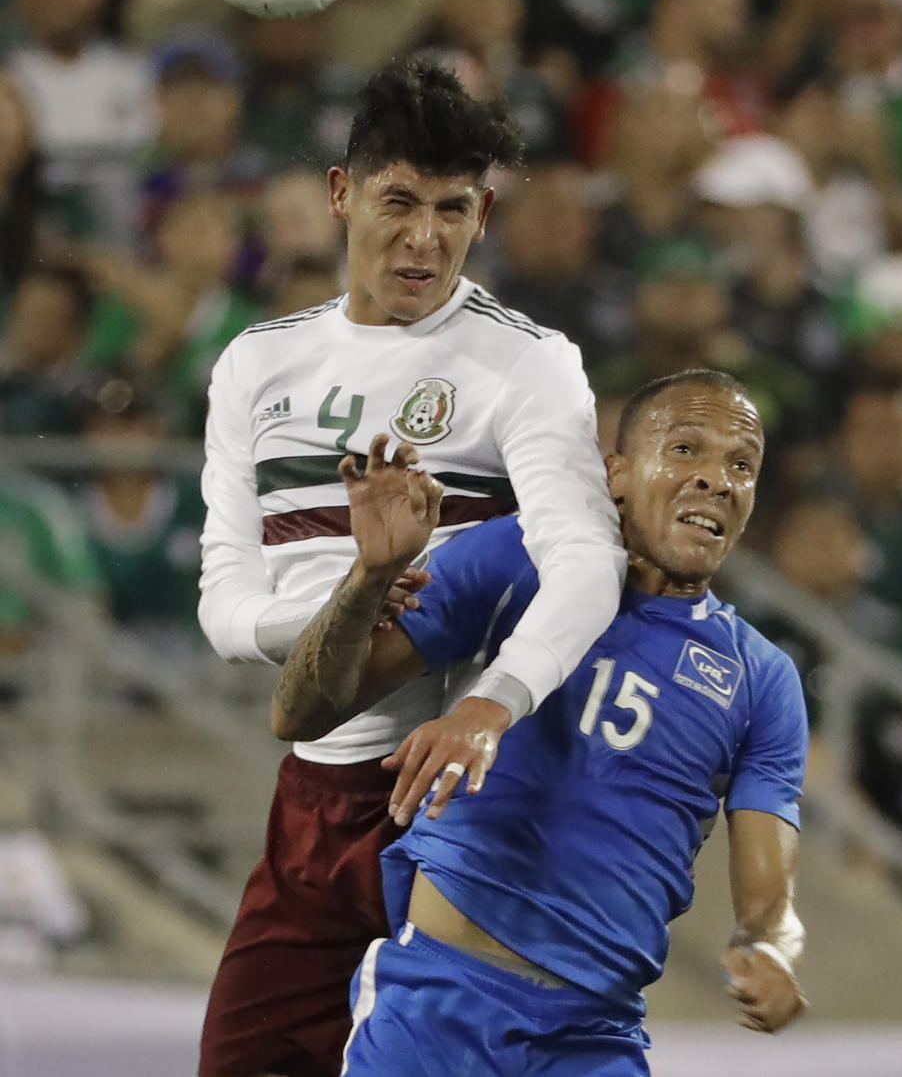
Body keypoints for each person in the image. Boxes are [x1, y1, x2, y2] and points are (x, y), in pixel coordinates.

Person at [197, 58, 626, 1077]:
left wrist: (496, 703)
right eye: (399, 201)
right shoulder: (257, 362)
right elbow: (223, 601)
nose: (426, 237)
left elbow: (587, 558)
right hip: (312, 793)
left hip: (458, 803)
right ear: (343, 194)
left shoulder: (528, 362)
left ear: (481, 216)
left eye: (455, 207)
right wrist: (347, 609)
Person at [272, 369, 808, 1074]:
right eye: (685, 450)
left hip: (593, 1039)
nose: (716, 478)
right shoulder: (518, 560)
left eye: (741, 465)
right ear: (615, 474)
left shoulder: (760, 680)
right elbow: (301, 711)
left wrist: (771, 945)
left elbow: (770, 898)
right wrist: (368, 581)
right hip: (438, 1007)